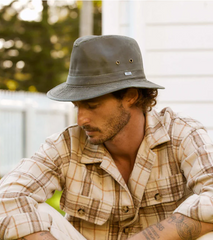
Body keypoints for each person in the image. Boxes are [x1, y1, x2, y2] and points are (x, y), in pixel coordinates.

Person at [0, 35, 213, 240]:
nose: (81, 119)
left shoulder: (181, 135)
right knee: (25, 211)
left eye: (92, 106)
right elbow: (7, 196)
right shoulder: (67, 146)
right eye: (78, 106)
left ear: (131, 95)